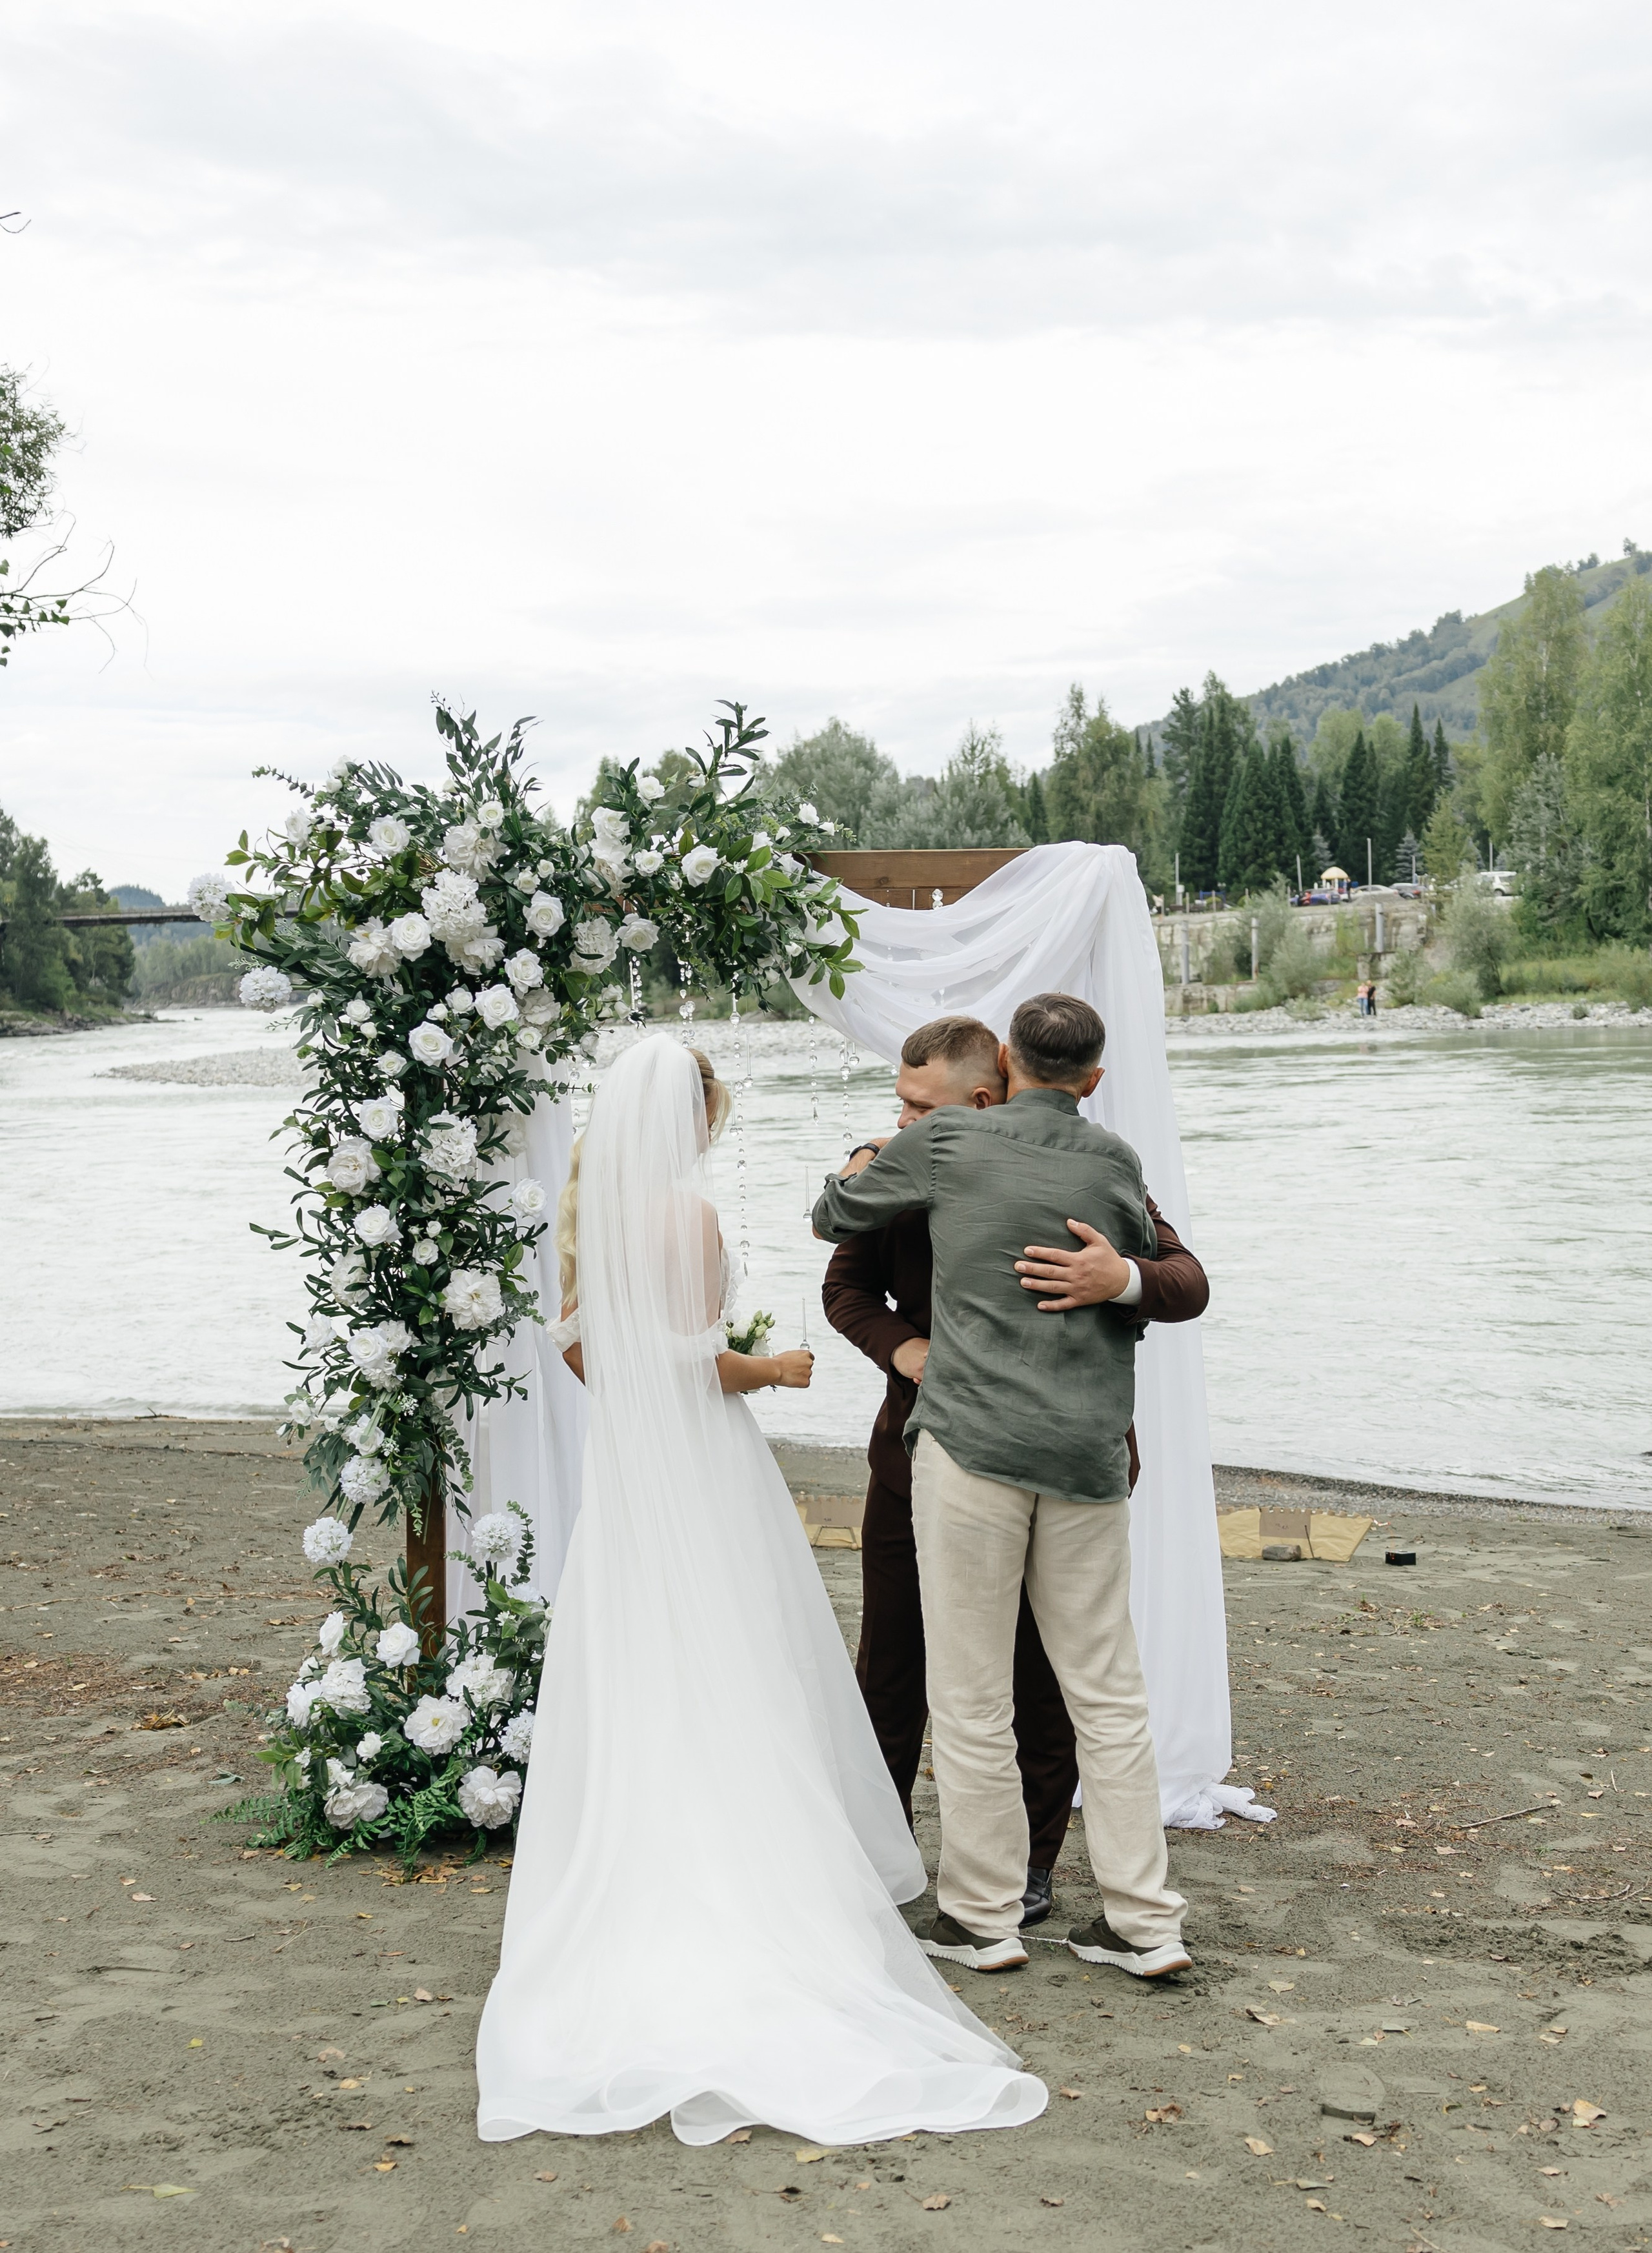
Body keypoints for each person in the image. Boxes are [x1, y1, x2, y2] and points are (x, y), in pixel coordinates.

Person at [475, 1036, 1045, 2147]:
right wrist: (771, 1370)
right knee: (733, 1653)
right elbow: (684, 1361)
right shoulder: (684, 1220)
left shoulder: (584, 1220)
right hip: (699, 1461)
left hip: (632, 1472)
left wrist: (686, 1367)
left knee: (648, 1659)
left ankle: (643, 1850)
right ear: (688, 1118)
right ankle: (749, 1870)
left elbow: (598, 1361)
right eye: (712, 1107)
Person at [812, 994, 1194, 1981]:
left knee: (973, 1692)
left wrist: (856, 1167)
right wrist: (1120, 1281)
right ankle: (1146, 1924)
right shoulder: (1112, 1161)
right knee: (1108, 1691)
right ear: (1092, 1080)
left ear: (1005, 1077)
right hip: (1083, 1450)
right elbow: (1182, 1275)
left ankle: (983, 1919)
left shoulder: (942, 1152)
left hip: (974, 1450)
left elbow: (830, 1217)